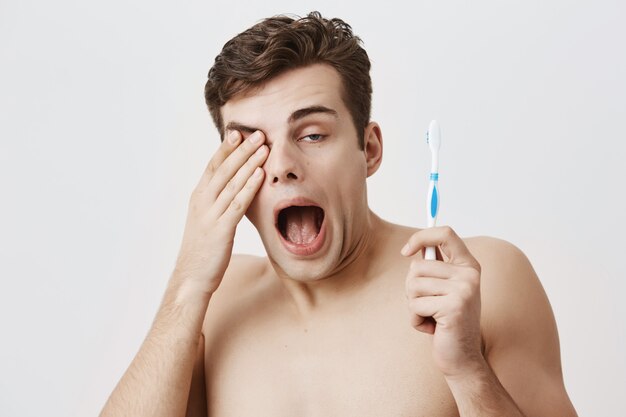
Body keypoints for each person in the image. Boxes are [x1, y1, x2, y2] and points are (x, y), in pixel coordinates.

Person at [100, 11, 578, 417]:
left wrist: (468, 371)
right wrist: (187, 286)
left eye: (311, 134)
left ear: (368, 149)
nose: (282, 166)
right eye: (251, 146)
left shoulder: (478, 281)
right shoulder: (214, 306)